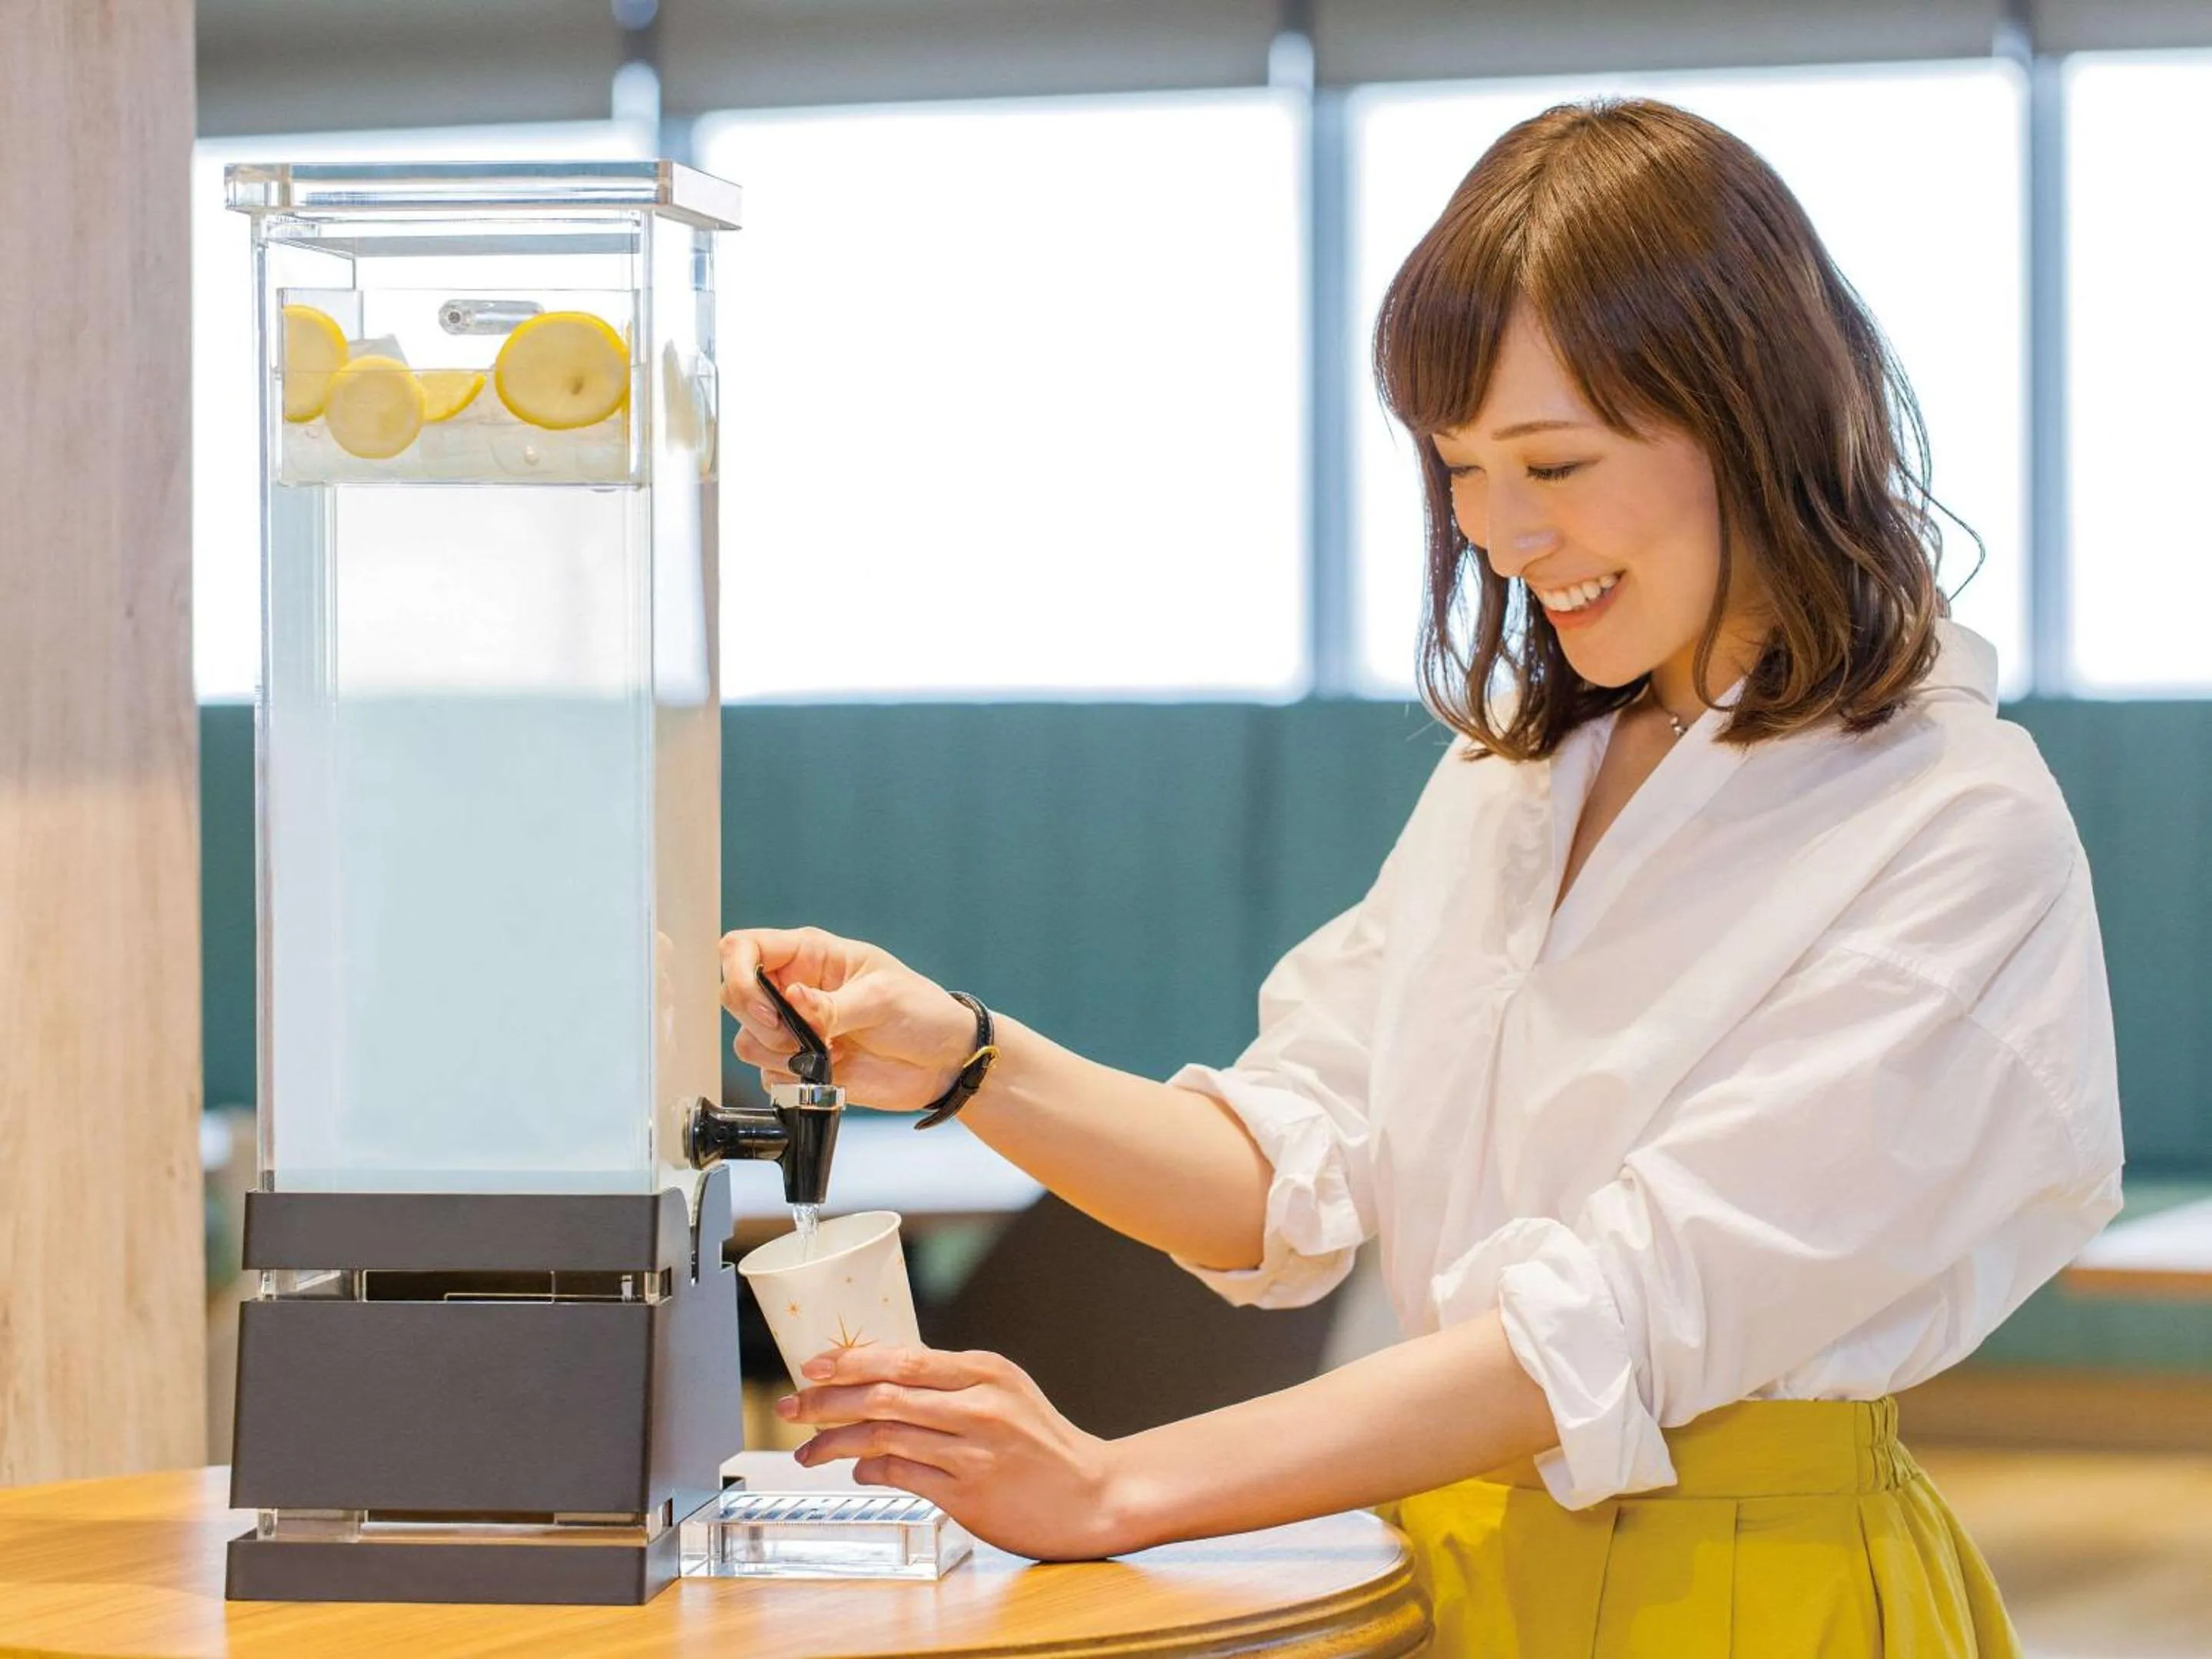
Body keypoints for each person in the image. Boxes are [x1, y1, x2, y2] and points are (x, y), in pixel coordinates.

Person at [719, 98, 2123, 1655]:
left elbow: (1610, 1321)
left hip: (1747, 1590)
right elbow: (1294, 1166)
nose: (1499, 532)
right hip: (1444, 1571)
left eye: (1555, 462)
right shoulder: (1518, 779)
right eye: (1459, 466)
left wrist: (1118, 1486)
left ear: (1756, 421)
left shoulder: (1948, 820)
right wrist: (965, 1056)